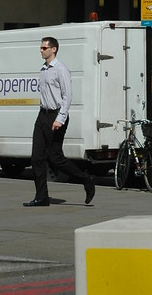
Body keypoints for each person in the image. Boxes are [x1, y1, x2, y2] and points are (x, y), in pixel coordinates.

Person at [24, 36, 96, 207]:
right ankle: (42, 197)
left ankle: (86, 179)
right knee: (36, 158)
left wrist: (60, 118)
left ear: (53, 49)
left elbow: (67, 96)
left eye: (44, 48)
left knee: (55, 157)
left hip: (56, 115)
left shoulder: (61, 69)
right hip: (42, 115)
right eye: (41, 48)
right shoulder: (43, 69)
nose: (41, 51)